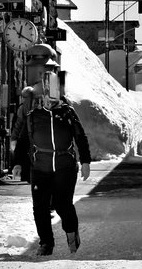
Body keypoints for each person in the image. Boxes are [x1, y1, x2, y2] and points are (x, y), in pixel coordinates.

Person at [10, 57, 91, 256]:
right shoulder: (34, 116)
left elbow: (80, 137)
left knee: (62, 205)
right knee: (40, 207)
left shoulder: (67, 113)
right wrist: (18, 163)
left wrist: (86, 161)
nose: (46, 99)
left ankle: (71, 232)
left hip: (65, 167)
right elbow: (23, 141)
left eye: (50, 95)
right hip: (41, 168)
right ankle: (46, 243)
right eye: (43, 96)